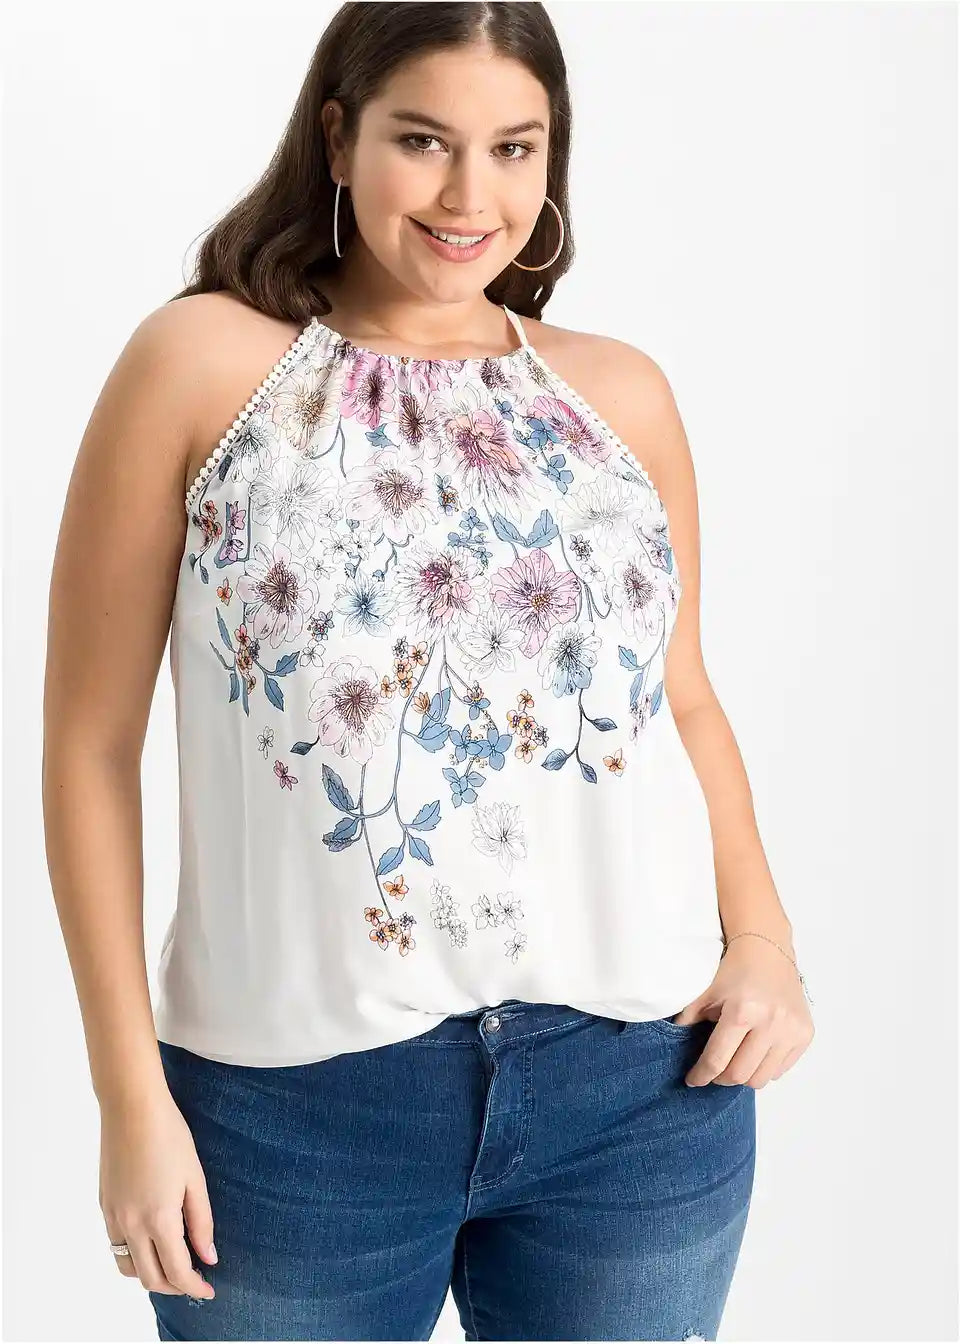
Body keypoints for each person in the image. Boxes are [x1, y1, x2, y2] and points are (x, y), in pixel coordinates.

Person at [41, 3, 815, 1340]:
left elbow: (681, 698)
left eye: (515, 148)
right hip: (292, 1113)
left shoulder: (618, 395)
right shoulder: (201, 367)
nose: (471, 197)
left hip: (640, 1096)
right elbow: (88, 745)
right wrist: (128, 1097)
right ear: (338, 138)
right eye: (423, 141)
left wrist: (765, 941)